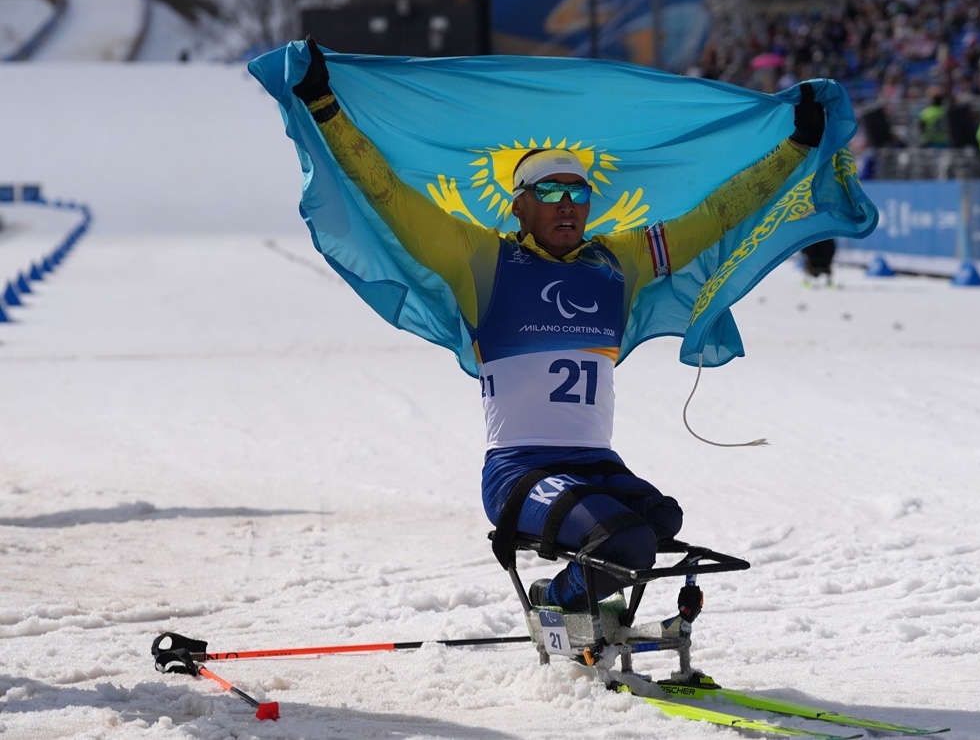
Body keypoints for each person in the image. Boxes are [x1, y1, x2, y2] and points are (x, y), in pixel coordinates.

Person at [290, 39, 826, 611]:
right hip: (520, 470)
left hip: (597, 467)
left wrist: (796, 147)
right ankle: (556, 601)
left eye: (578, 191)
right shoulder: (482, 260)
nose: (566, 203)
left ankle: (581, 597)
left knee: (662, 519)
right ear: (518, 205)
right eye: (548, 191)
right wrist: (325, 106)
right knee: (625, 542)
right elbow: (388, 194)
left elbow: (717, 214)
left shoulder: (621, 261)